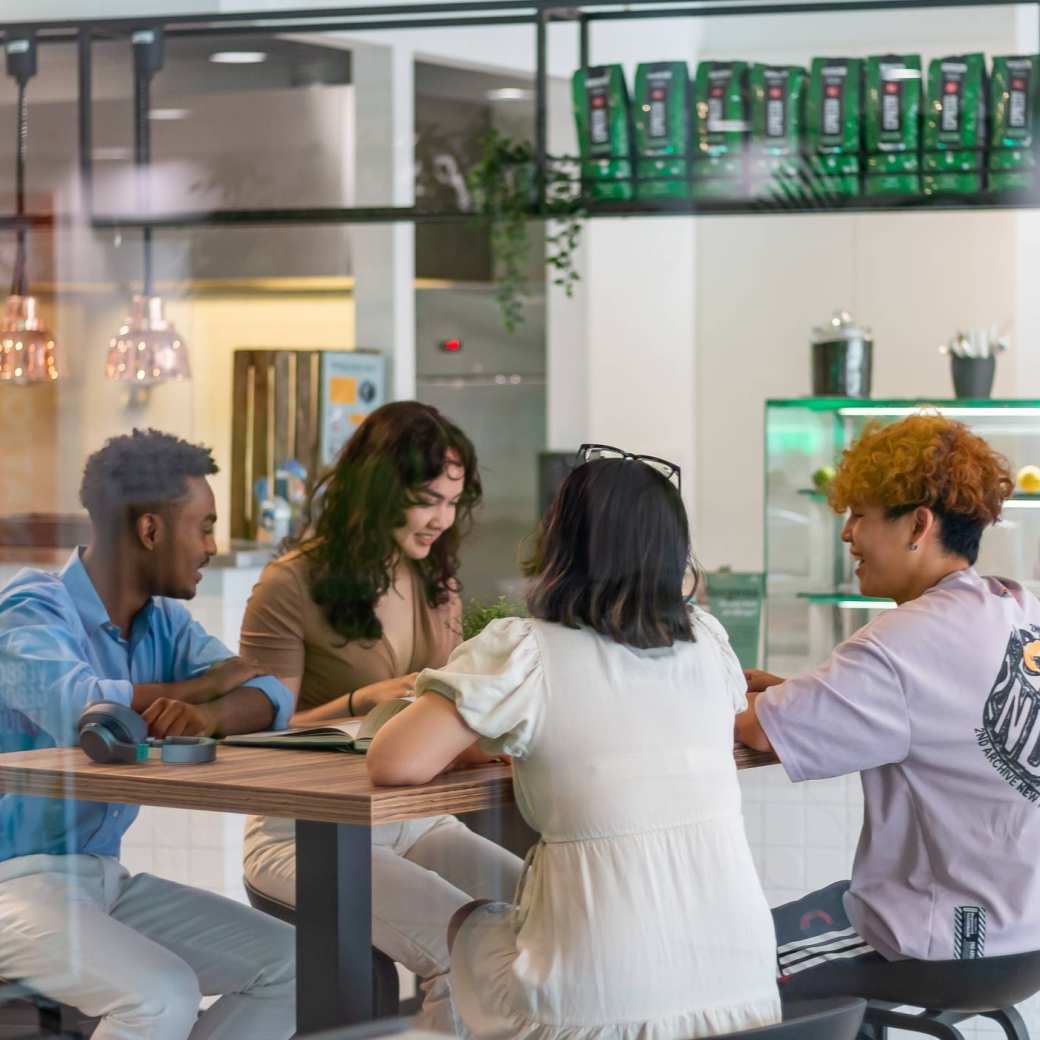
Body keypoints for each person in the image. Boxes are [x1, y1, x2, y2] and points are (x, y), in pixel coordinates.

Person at [367, 446, 782, 1040]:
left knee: (466, 920)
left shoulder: (527, 650)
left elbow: (394, 761)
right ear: (673, 551)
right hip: (743, 998)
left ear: (560, 544)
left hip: (590, 1009)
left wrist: (480, 740)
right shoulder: (707, 641)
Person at [0, 428, 296, 1040]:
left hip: (102, 880)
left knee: (296, 967)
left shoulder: (166, 624)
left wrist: (211, 716)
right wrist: (194, 692)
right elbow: (80, 710)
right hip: (12, 885)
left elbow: (270, 695)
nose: (213, 546)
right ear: (151, 531)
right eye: (205, 526)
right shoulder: (31, 607)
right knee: (161, 994)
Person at [239, 400, 524, 1033]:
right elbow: (253, 734)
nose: (441, 520)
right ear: (375, 491)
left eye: (453, 502)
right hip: (302, 835)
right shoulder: (290, 585)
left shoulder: (435, 581)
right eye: (428, 499)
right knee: (470, 948)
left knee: (542, 907)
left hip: (414, 821)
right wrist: (356, 702)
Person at [736, 413, 1040, 997]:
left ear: (918, 525)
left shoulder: (903, 640)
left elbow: (758, 732)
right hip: (1022, 930)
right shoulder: (1013, 606)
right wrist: (800, 691)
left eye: (861, 516)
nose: (847, 534)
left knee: (715, 968)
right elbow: (938, 704)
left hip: (943, 937)